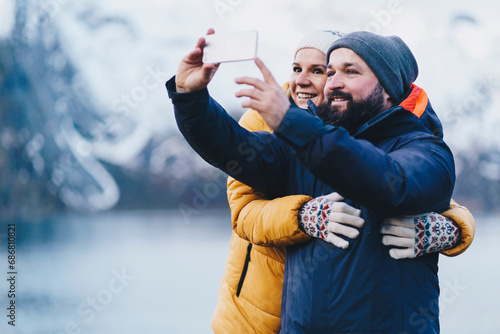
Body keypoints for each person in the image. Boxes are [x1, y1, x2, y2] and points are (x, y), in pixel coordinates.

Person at [167, 30, 461, 332]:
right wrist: (190, 97)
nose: (333, 83)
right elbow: (229, 146)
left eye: (350, 71)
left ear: (388, 88)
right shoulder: (296, 149)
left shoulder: (425, 149)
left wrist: (290, 121)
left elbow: (389, 183)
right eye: (331, 71)